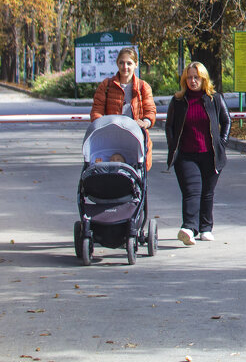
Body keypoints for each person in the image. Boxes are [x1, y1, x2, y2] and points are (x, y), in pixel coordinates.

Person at [165, 61, 230, 245]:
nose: (192, 81)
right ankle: (188, 228)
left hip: (210, 154)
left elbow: (226, 121)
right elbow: (169, 126)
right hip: (186, 154)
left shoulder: (214, 98)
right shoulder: (178, 100)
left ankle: (206, 228)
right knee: (192, 191)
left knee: (207, 193)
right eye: (189, 78)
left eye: (196, 78)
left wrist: (222, 143)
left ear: (203, 79)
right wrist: (173, 146)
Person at [90, 47, 156, 171]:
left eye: (129, 63)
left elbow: (150, 110)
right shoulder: (107, 85)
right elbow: (97, 109)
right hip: (111, 137)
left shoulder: (143, 87)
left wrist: (145, 122)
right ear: (117, 64)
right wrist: (101, 125)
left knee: (136, 173)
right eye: (121, 62)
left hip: (134, 138)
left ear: (136, 64)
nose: (125, 67)